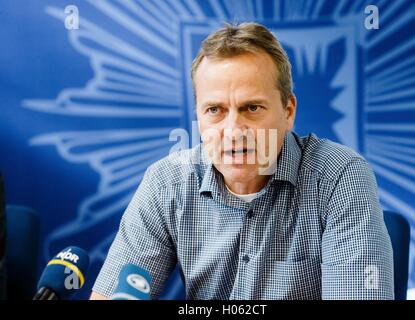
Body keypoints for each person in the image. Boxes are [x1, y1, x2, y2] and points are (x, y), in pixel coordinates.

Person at [91, 22, 393, 300]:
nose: (233, 131)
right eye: (215, 110)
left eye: (251, 107)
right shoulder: (166, 182)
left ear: (288, 112)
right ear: (198, 115)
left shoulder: (339, 177)